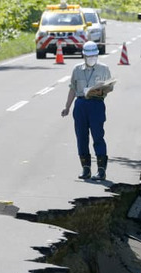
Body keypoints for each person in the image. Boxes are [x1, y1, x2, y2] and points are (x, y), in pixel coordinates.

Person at [61, 41, 113, 180]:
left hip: (97, 104)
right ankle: (86, 169)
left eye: (94, 55)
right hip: (81, 105)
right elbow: (72, 88)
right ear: (83, 55)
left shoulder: (104, 68)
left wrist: (101, 89)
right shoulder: (77, 69)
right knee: (81, 137)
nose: (91, 58)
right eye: (88, 56)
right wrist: (67, 107)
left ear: (97, 54)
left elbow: (110, 86)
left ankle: (101, 170)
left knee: (98, 136)